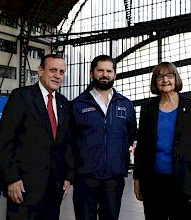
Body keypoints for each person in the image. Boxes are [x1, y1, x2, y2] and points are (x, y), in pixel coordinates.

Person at [0, 54, 73, 220]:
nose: (57, 75)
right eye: (53, 70)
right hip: (23, 187)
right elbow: (5, 139)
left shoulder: (64, 104)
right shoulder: (21, 97)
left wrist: (67, 176)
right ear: (40, 71)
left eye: (61, 72)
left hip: (54, 188)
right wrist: (12, 179)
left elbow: (66, 142)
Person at [71, 55, 137, 220]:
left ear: (115, 74)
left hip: (114, 179)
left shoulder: (126, 105)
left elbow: (130, 136)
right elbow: (69, 140)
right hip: (85, 178)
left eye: (109, 71)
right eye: (100, 70)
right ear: (92, 73)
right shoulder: (78, 104)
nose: (105, 74)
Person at [133, 61, 191, 220]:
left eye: (169, 76)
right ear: (155, 81)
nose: (165, 80)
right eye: (160, 77)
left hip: (184, 183)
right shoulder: (148, 109)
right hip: (153, 183)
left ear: (176, 79)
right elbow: (141, 147)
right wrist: (137, 179)